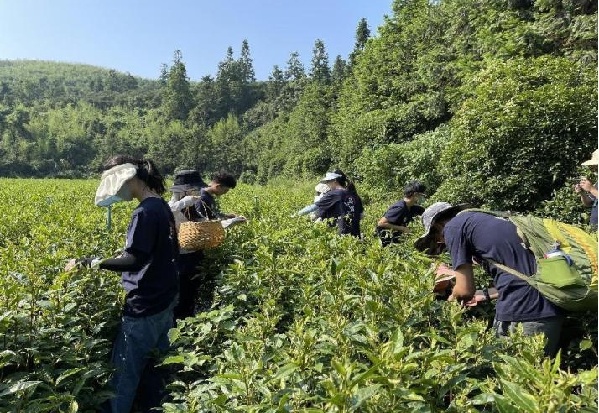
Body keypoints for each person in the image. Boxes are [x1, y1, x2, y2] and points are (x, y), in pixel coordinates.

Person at [66, 155, 179, 412]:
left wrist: (90, 262)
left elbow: (133, 261)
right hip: (165, 299)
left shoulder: (143, 212)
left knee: (124, 374)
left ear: (129, 178)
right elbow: (158, 250)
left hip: (145, 305)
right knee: (157, 366)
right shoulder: (160, 206)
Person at [415, 202, 564, 358]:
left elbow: (465, 290)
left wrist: (449, 303)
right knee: (539, 376)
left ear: (438, 226)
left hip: (524, 310)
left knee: (516, 374)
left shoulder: (453, 228)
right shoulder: (486, 220)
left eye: (437, 238)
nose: (441, 242)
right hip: (549, 301)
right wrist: (486, 294)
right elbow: (521, 277)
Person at [168, 170, 207, 320]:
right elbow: (168, 211)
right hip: (180, 258)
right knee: (180, 295)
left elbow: (207, 224)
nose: (197, 192)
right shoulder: (173, 206)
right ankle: (177, 327)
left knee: (191, 293)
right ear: (184, 190)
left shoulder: (192, 208)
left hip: (195, 255)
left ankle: (188, 323)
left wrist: (230, 222)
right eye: (194, 189)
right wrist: (184, 202)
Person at [314, 169, 364, 238]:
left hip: (340, 236)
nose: (327, 184)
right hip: (356, 236)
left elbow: (313, 208)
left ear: (334, 180)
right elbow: (361, 215)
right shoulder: (355, 195)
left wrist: (296, 215)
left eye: (328, 181)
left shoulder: (335, 194)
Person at [376, 180, 426, 247]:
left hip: (396, 240)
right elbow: (381, 223)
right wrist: (402, 228)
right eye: (421, 195)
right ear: (415, 194)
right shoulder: (400, 208)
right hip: (386, 241)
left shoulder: (412, 207)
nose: (422, 198)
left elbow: (426, 212)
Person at [574, 149, 598, 230]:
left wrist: (591, 189)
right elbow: (588, 203)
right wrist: (582, 193)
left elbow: (594, 192)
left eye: (596, 165)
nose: (593, 168)